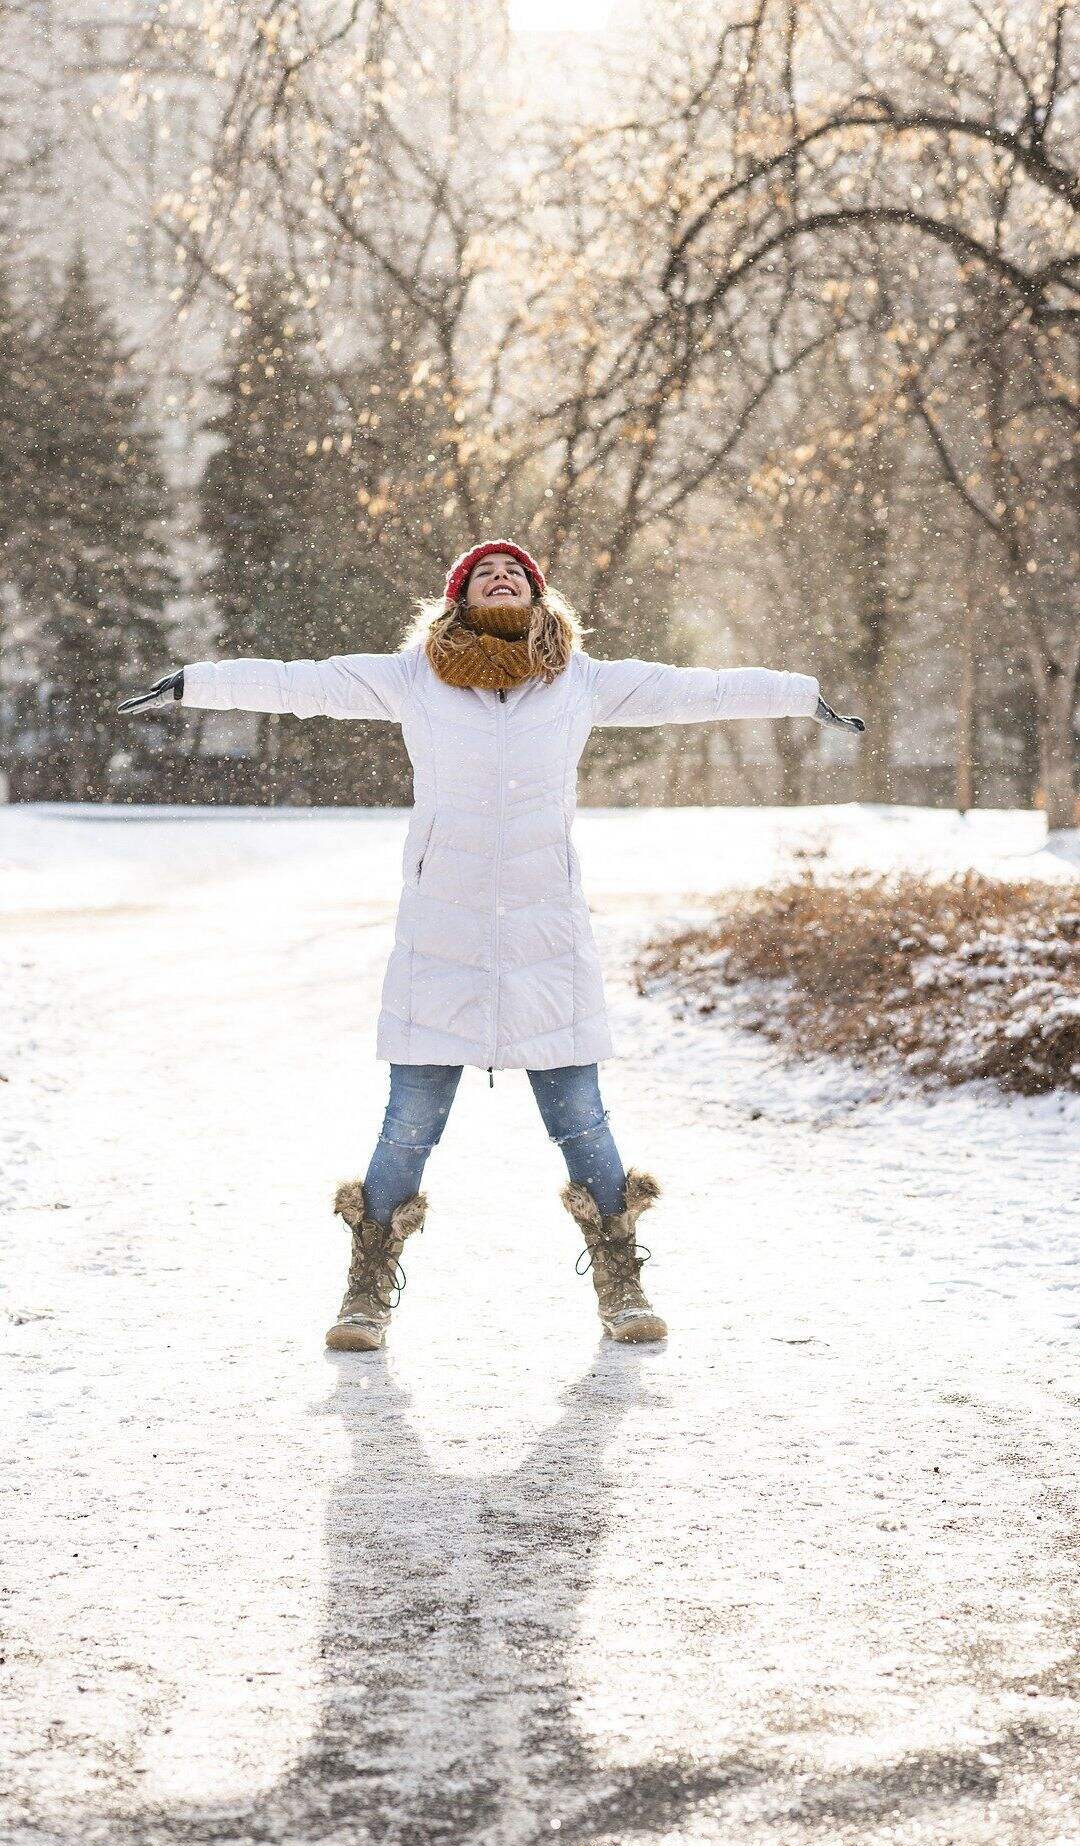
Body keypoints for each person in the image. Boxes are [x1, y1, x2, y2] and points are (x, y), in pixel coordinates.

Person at [120, 539, 863, 1352]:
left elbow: (698, 692)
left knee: (581, 1118)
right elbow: (307, 682)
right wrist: (199, 682)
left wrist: (802, 695)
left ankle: (622, 1286)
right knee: (409, 1124)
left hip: (547, 933)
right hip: (442, 931)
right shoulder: (413, 676)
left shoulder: (579, 680)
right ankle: (365, 1293)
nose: (501, 575)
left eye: (515, 572)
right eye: (485, 573)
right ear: (459, 599)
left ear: (540, 598)